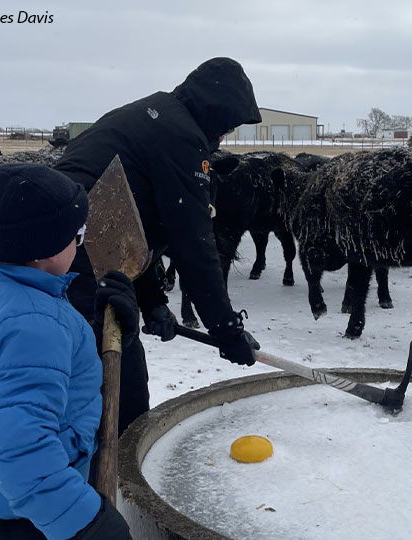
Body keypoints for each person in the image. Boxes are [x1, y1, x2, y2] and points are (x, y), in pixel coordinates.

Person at [54, 57, 263, 435]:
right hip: (76, 251)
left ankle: (106, 454)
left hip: (65, 243)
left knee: (97, 362)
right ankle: (116, 470)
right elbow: (193, 243)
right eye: (230, 122)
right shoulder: (181, 136)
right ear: (215, 108)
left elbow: (133, 223)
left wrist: (152, 302)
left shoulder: (157, 115)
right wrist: (227, 330)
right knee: (115, 373)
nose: (227, 133)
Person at [0, 164, 136, 540]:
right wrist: (88, 524)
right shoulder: (38, 327)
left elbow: (11, 373)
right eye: (79, 234)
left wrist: (91, 328)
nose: (82, 242)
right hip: (20, 519)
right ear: (47, 249)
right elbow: (24, 458)